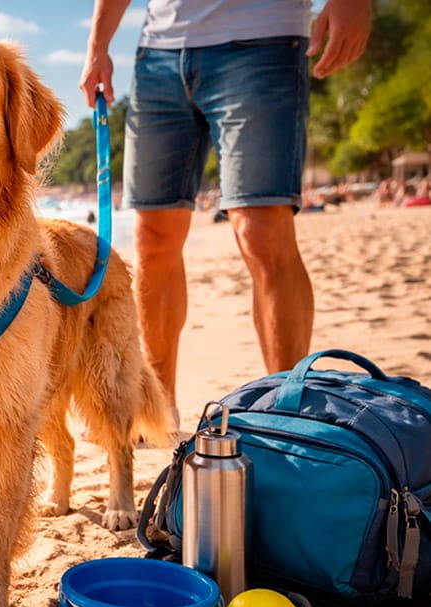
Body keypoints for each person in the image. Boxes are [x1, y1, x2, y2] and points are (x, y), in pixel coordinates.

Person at [82, 0, 371, 429]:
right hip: (159, 51)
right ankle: (161, 408)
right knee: (153, 237)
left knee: (261, 233)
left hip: (263, 37)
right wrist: (98, 44)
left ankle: (285, 409)